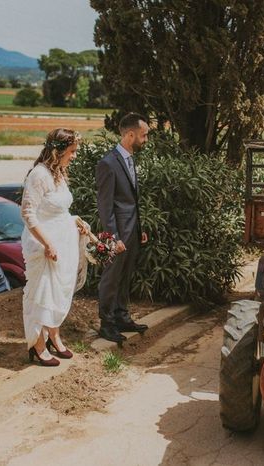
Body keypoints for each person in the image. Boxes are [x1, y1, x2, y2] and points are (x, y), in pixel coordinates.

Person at [21, 128, 89, 366]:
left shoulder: (59, 173)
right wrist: (47, 243)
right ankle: (37, 346)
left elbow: (59, 210)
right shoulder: (38, 175)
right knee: (42, 294)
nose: (74, 156)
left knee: (58, 292)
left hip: (64, 242)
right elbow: (28, 213)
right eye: (72, 151)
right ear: (58, 151)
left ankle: (54, 336)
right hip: (44, 245)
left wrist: (75, 222)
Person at [96, 113, 150, 343]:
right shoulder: (107, 164)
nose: (146, 139)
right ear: (130, 135)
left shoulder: (130, 159)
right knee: (111, 278)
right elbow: (105, 206)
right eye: (144, 135)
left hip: (132, 232)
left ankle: (122, 317)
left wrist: (140, 228)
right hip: (117, 234)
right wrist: (114, 237)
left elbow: (130, 201)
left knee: (125, 277)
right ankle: (106, 324)